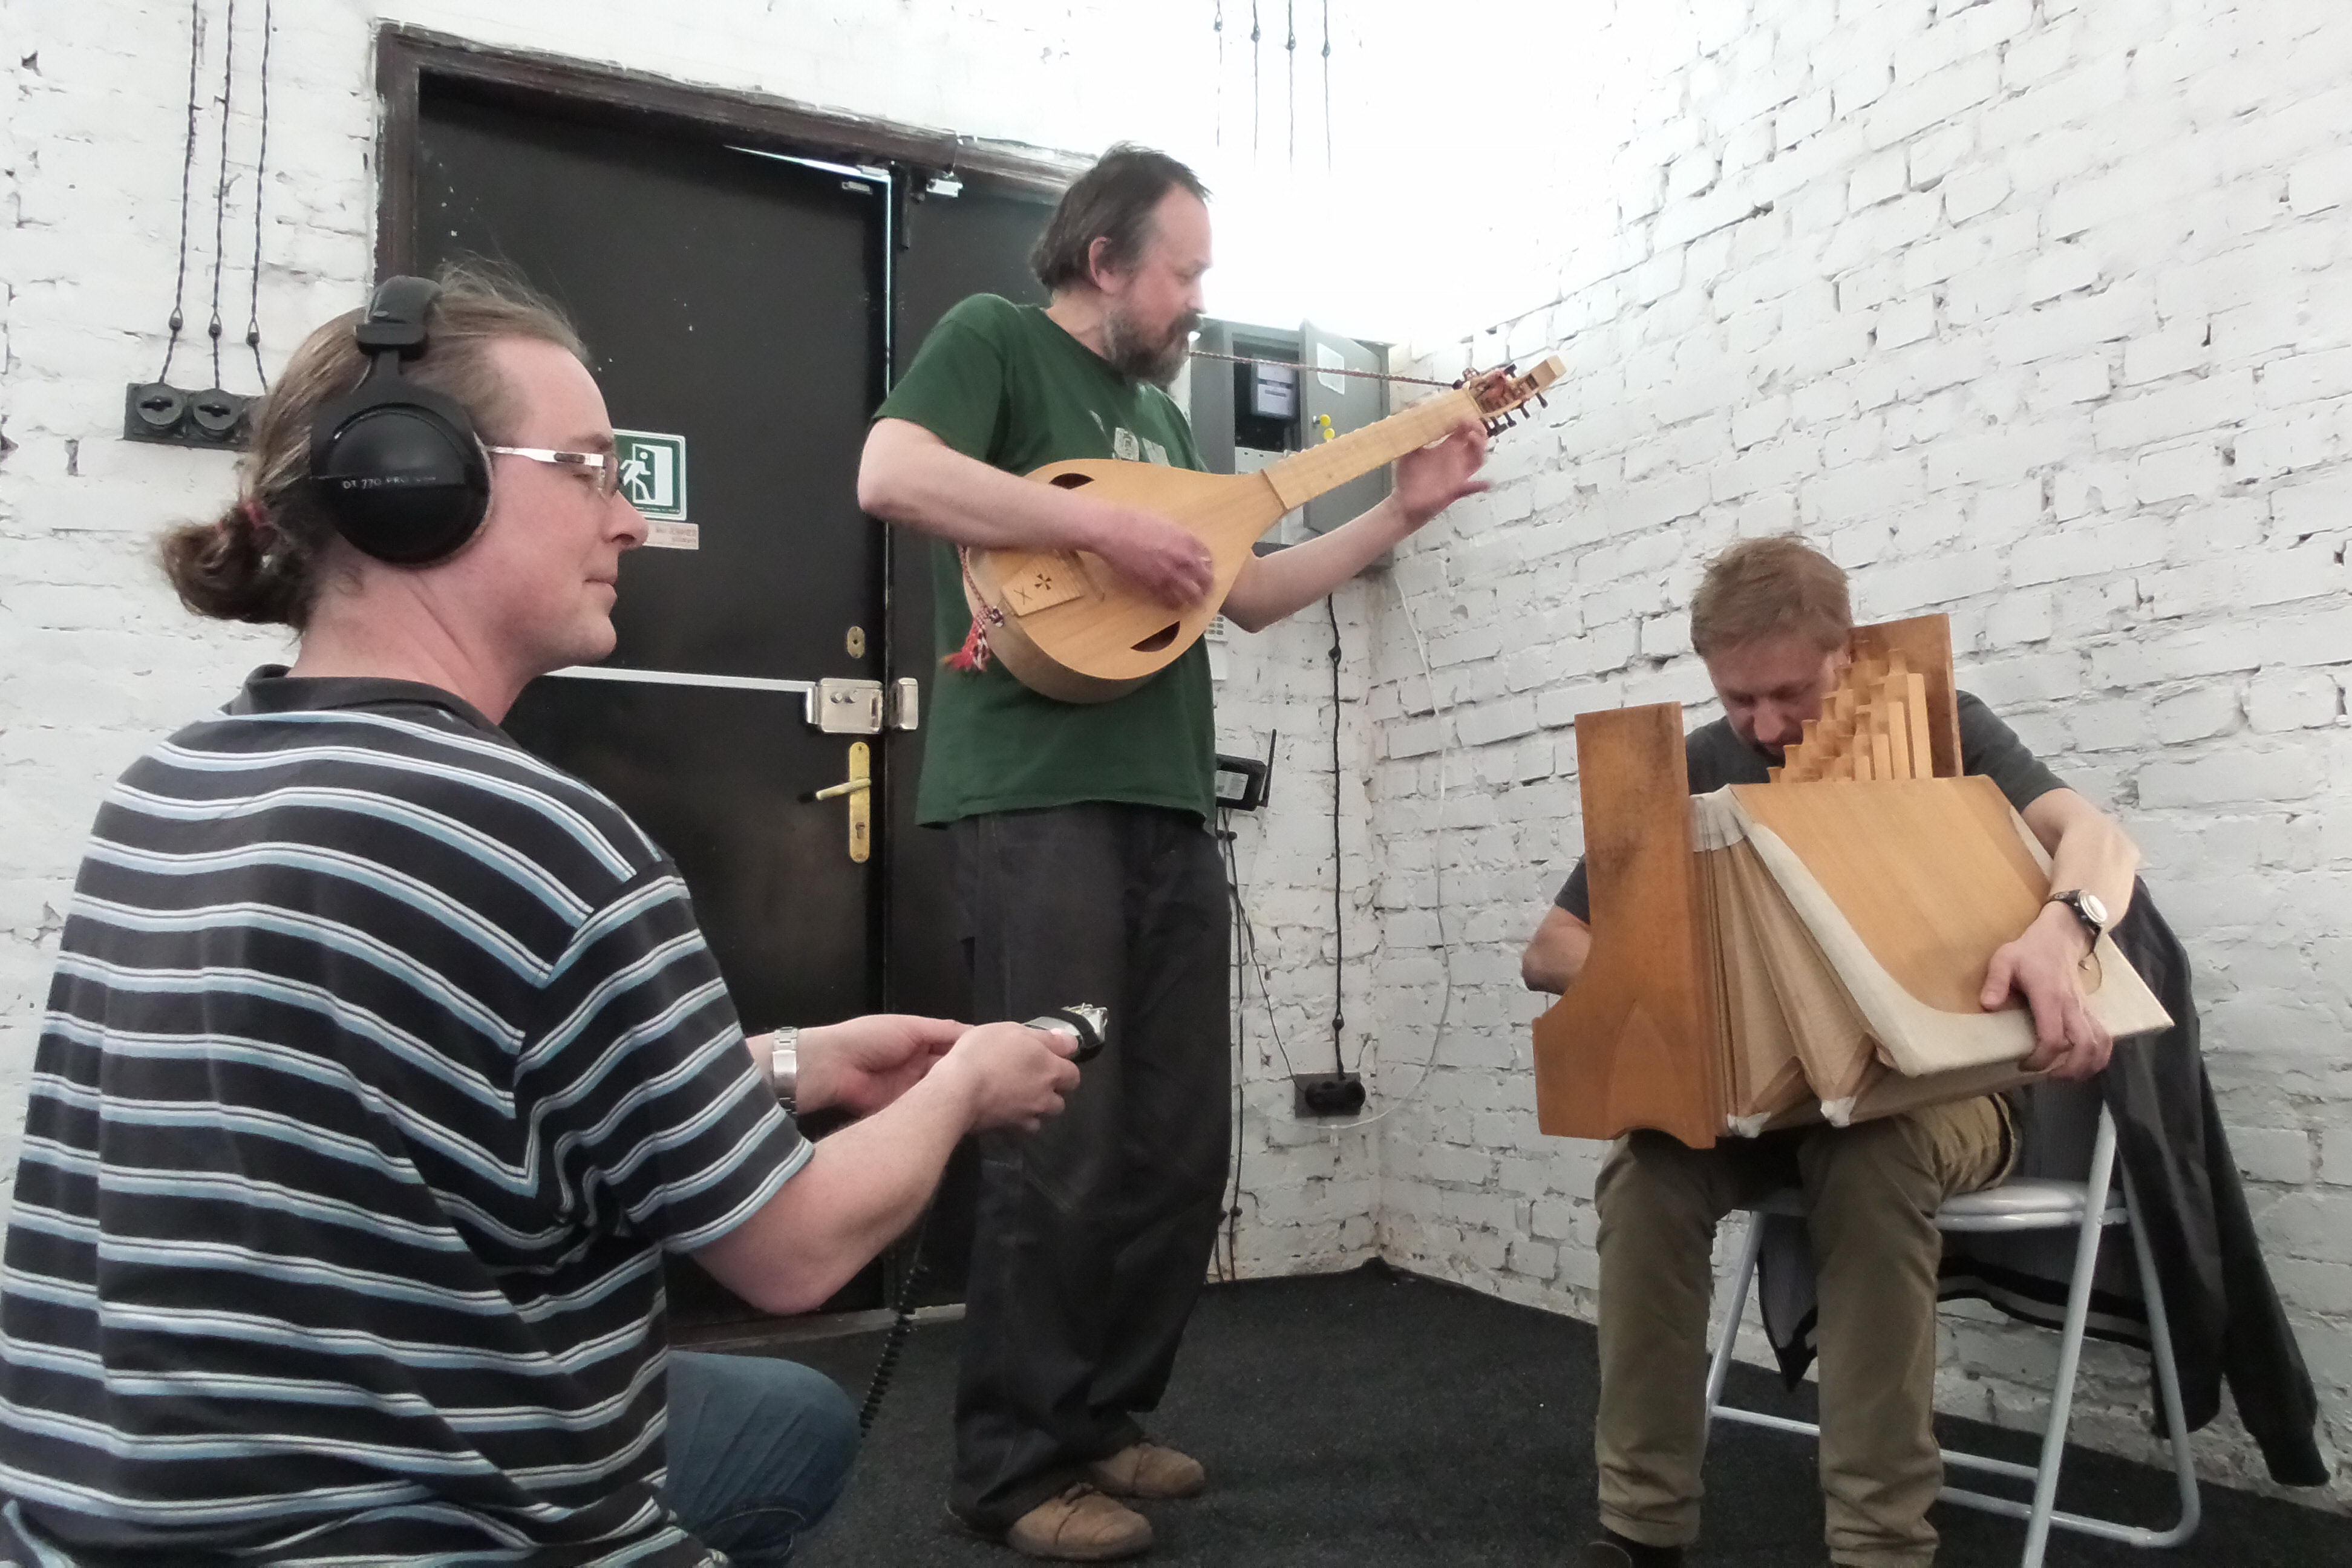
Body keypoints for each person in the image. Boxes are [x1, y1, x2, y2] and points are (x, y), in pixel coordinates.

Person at [0, 270, 1083, 1567]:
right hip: (383, 1535)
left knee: (783, 1416)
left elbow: (395, 1104)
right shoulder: (541, 841)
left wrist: (787, 1066)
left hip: (113, 1513)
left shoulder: (169, 785)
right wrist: (965, 1086)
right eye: (588, 470)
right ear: (417, 485)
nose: (632, 521)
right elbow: (793, 1256)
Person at [857, 145, 1490, 1560]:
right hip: (1036, 800)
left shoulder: (1159, 415)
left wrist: (1402, 510)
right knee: (1062, 1140)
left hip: (1164, 803)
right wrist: (1100, 525)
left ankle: (1099, 1419)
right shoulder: (996, 341)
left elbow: (1247, 593)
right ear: (1106, 261)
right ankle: (1008, 1470)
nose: (1200, 299)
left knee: (1179, 1144)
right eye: (1185, 272)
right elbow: (891, 471)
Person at [1520, 535, 2142, 1568]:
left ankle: (1879, 1545)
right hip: (1766, 1098)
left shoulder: (1940, 728)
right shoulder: (1693, 765)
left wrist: (2062, 927)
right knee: (1647, 1170)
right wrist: (1690, 989)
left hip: (1939, 1095)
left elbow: (2103, 840)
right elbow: (1552, 948)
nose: (1765, 727)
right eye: (1738, 699)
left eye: (1791, 694)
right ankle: (1642, 1527)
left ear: (1843, 654)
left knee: (1870, 1155)